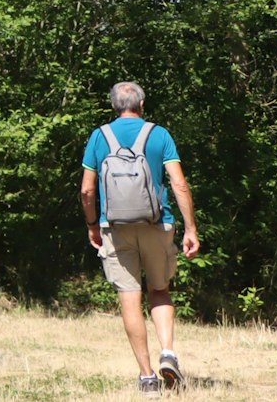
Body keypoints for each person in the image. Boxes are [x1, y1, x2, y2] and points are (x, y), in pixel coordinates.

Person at [80, 81, 200, 394]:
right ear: (142, 103)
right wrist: (190, 229)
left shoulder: (99, 136)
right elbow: (179, 184)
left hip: (115, 227)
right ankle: (168, 353)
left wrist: (93, 224)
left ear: (113, 106)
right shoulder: (159, 134)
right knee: (159, 290)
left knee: (129, 297)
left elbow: (87, 189)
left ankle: (147, 378)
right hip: (158, 224)